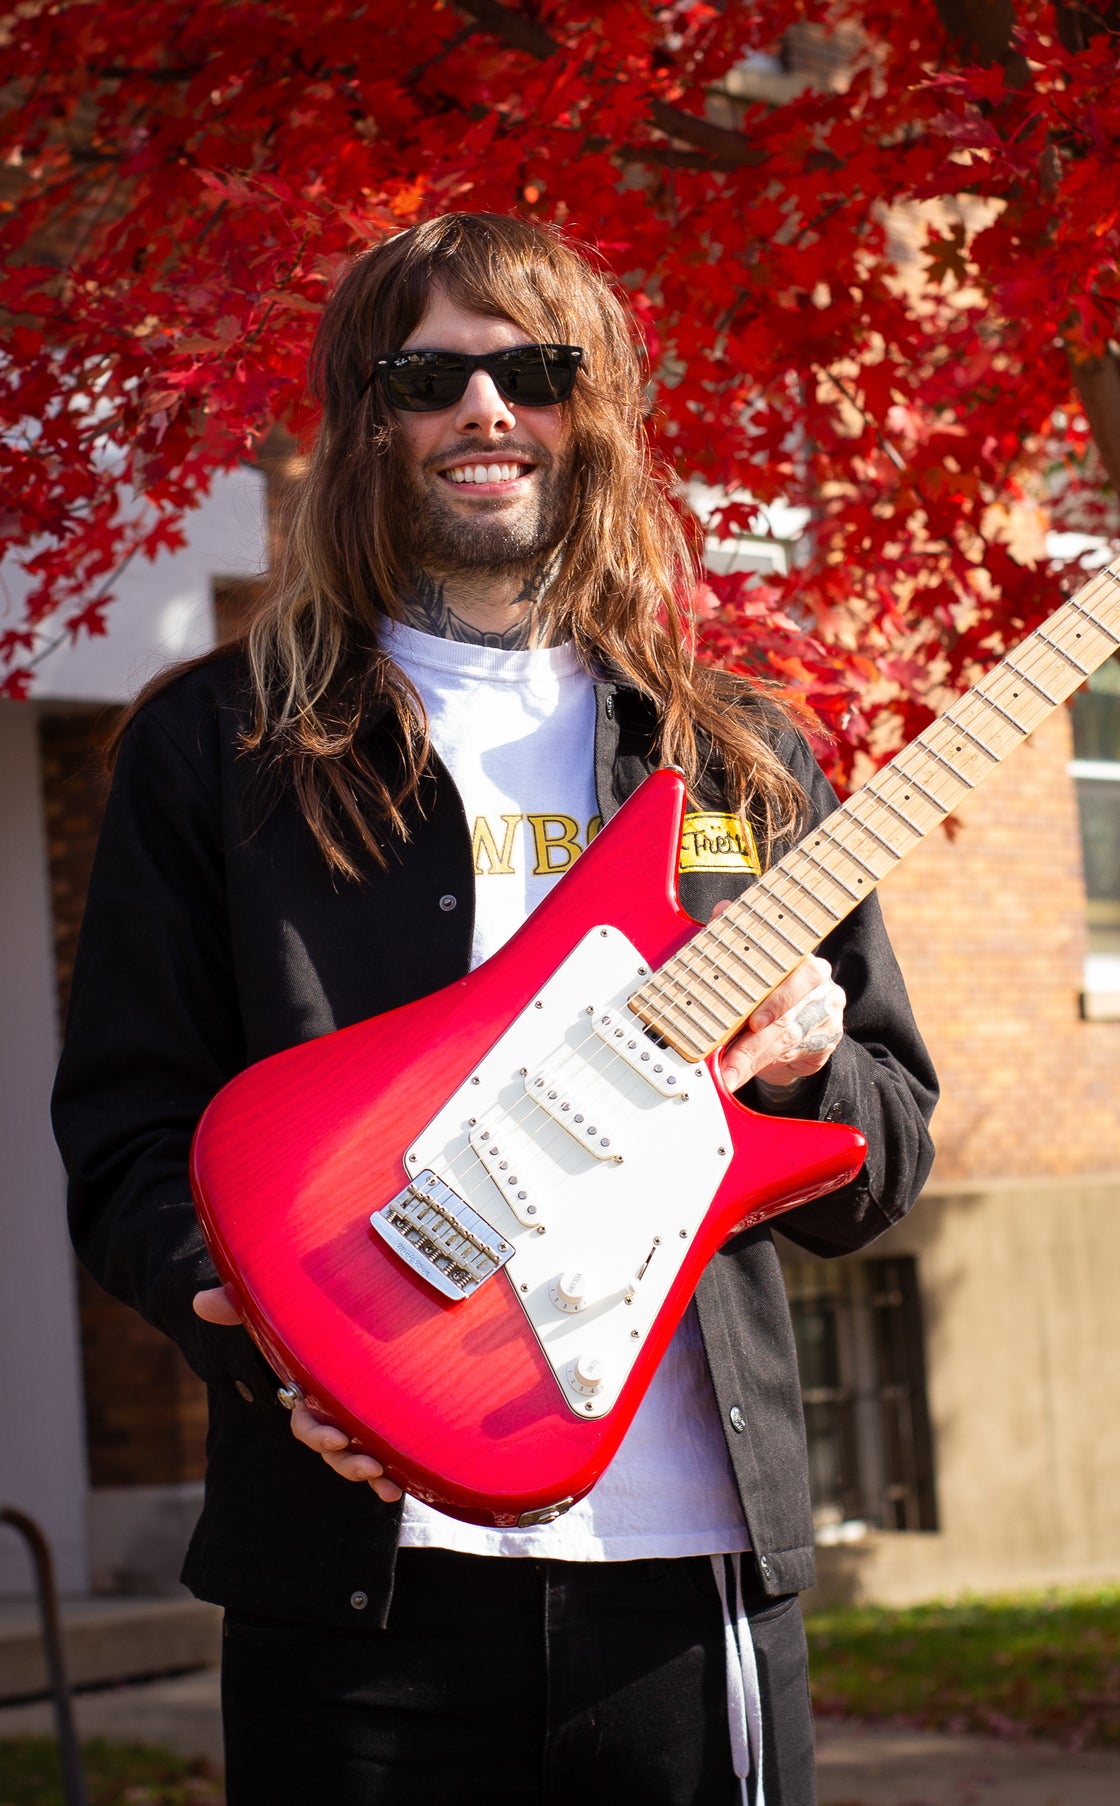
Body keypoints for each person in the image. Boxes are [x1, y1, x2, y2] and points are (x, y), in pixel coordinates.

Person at [52, 212, 937, 1805]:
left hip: (690, 1567)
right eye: (428, 376)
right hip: (354, 1583)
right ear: (364, 419)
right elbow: (126, 1137)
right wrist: (280, 1354)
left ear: (588, 416)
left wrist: (805, 1064)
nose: (484, 412)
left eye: (531, 372)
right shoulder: (219, 747)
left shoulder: (733, 755)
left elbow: (880, 1158)